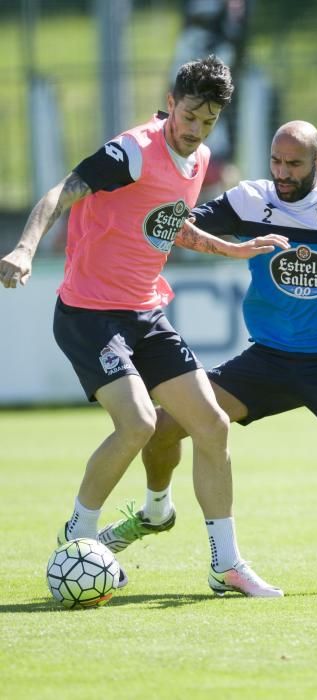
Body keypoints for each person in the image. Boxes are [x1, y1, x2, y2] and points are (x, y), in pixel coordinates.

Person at [98, 119, 317, 595]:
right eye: (276, 162)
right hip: (267, 361)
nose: (283, 173)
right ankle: (156, 510)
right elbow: (181, 228)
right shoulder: (250, 199)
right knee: (164, 427)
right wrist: (143, 205)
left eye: (294, 164)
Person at [0, 55, 289, 598]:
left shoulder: (199, 159)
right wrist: (24, 247)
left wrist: (232, 248)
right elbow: (60, 192)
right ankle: (79, 537)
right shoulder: (132, 151)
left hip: (145, 311)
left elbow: (169, 225)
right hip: (88, 313)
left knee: (212, 425)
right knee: (136, 424)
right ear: (171, 101)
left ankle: (225, 564)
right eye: (189, 117)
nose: (195, 130)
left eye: (207, 122)